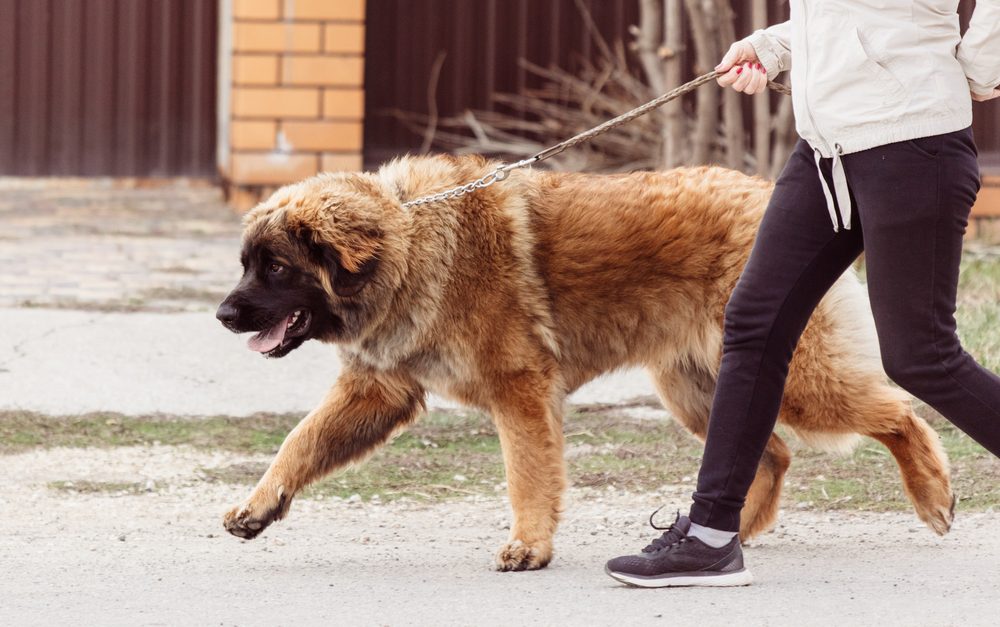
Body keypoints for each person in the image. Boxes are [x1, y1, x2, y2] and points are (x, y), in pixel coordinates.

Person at [605, 0, 1000, 588]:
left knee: (921, 355)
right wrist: (772, 47)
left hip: (914, 147)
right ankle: (711, 536)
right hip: (824, 153)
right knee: (753, 325)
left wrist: (979, 67)